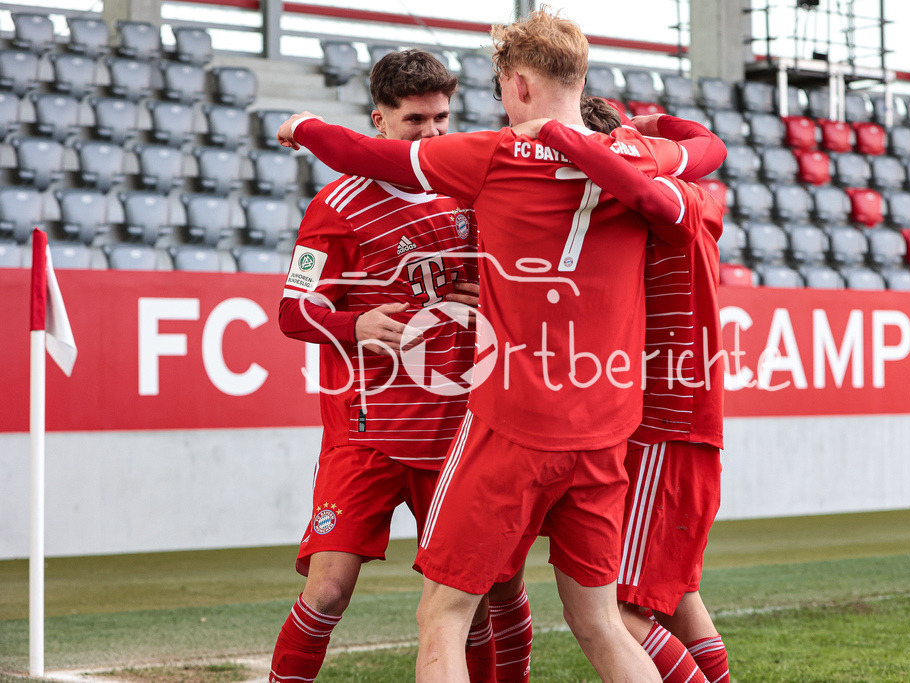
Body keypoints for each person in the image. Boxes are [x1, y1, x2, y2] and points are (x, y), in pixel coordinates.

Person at [276, 8, 718, 681]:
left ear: (516, 85)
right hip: (602, 428)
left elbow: (370, 154)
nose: (434, 129)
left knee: (446, 613)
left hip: (512, 423)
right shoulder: (640, 161)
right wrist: (643, 131)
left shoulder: (494, 157)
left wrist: (302, 127)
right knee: (599, 620)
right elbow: (708, 150)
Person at [270, 49, 520, 683]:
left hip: (459, 435)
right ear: (378, 119)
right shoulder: (336, 207)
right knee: (327, 592)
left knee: (488, 595)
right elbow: (294, 311)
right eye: (416, 121)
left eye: (442, 118)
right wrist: (351, 325)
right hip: (367, 434)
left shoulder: (471, 190)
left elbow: (515, 287)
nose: (433, 134)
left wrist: (490, 294)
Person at [531, 110, 731, 682]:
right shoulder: (690, 195)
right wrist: (656, 120)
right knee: (679, 597)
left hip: (667, 423)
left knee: (618, 608)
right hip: (679, 417)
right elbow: (702, 141)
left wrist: (555, 131)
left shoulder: (660, 197)